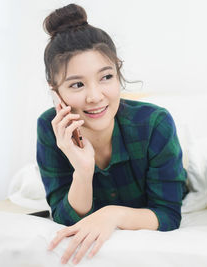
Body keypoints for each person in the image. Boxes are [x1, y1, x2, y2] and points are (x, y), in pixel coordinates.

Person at [36, 3, 188, 265]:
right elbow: (63, 219)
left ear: (118, 74)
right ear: (56, 93)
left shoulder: (154, 123)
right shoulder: (50, 128)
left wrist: (112, 215)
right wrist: (83, 172)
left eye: (106, 77)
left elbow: (167, 215)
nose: (95, 96)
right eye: (77, 84)